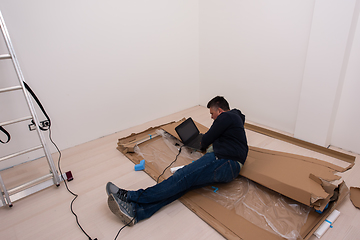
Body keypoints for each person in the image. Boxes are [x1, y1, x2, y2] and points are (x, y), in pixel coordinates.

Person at [106, 96, 248, 226]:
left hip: (224, 161)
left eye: (212, 113)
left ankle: (130, 196)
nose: (212, 117)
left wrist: (205, 142)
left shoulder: (226, 117)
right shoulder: (235, 119)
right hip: (228, 166)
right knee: (184, 185)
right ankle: (135, 212)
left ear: (220, 110)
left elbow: (205, 140)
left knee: (182, 176)